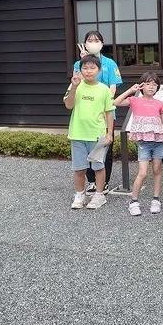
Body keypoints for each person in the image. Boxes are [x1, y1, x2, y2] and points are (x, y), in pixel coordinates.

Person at [114, 73, 163, 216]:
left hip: (159, 141)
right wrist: (131, 90)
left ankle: (156, 199)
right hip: (144, 143)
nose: (151, 87)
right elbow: (116, 102)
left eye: (154, 84)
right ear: (142, 85)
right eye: (148, 83)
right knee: (143, 172)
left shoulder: (159, 104)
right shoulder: (134, 100)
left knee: (157, 170)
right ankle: (133, 201)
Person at [73, 31, 122, 195]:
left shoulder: (110, 63)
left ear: (102, 43)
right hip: (85, 114)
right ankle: (92, 181)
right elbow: (76, 84)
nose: (93, 42)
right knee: (86, 150)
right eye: (89, 40)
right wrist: (83, 61)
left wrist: (104, 105)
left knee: (104, 149)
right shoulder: (78, 64)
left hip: (105, 111)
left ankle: (104, 182)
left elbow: (113, 87)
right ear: (84, 43)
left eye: (96, 40)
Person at [64, 54, 114, 210]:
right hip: (77, 134)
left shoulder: (104, 89)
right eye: (85, 68)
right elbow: (69, 105)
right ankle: (80, 194)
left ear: (99, 70)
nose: (88, 71)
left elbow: (109, 112)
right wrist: (73, 87)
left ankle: (99, 195)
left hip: (96, 135)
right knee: (79, 168)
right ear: (80, 70)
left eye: (92, 68)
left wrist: (110, 133)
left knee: (98, 167)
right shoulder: (75, 86)